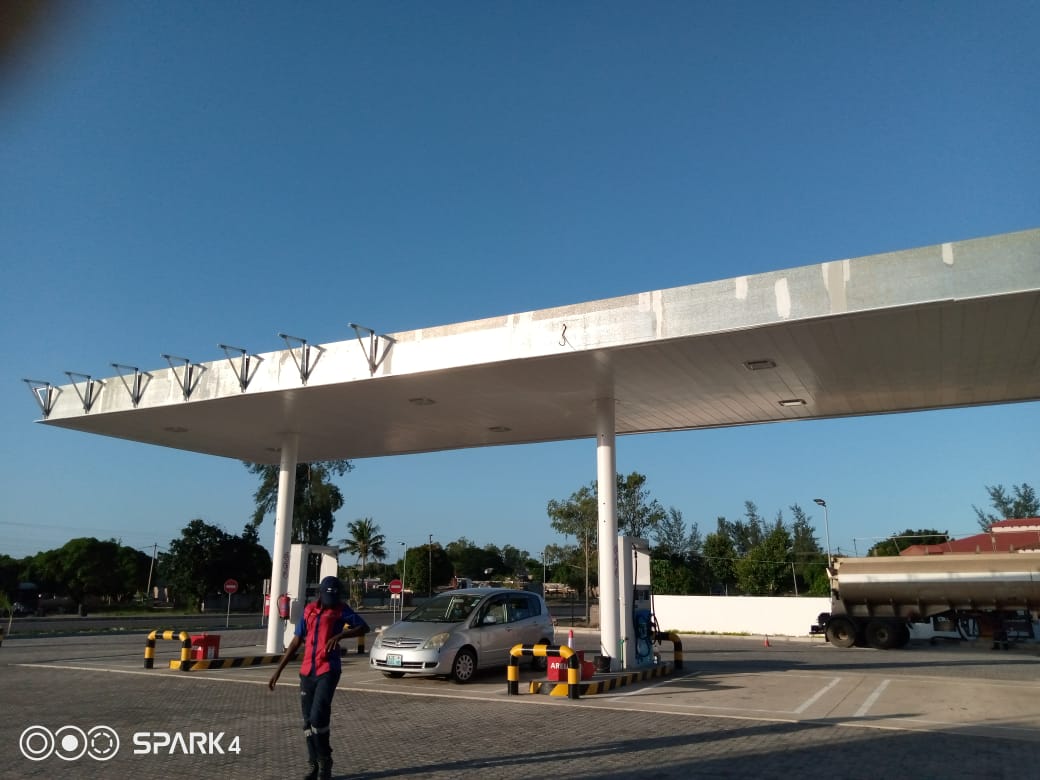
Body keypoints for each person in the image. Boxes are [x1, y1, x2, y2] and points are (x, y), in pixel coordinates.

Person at [269, 576, 370, 780]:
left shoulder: (341, 609)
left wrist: (341, 635)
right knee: (307, 722)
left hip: (328, 670)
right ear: (321, 595)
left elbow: (363, 627)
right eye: (328, 596)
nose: (331, 601)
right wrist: (278, 671)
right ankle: (314, 764)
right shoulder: (309, 611)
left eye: (335, 597)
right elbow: (296, 641)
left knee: (318, 718)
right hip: (307, 671)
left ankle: (325, 761)